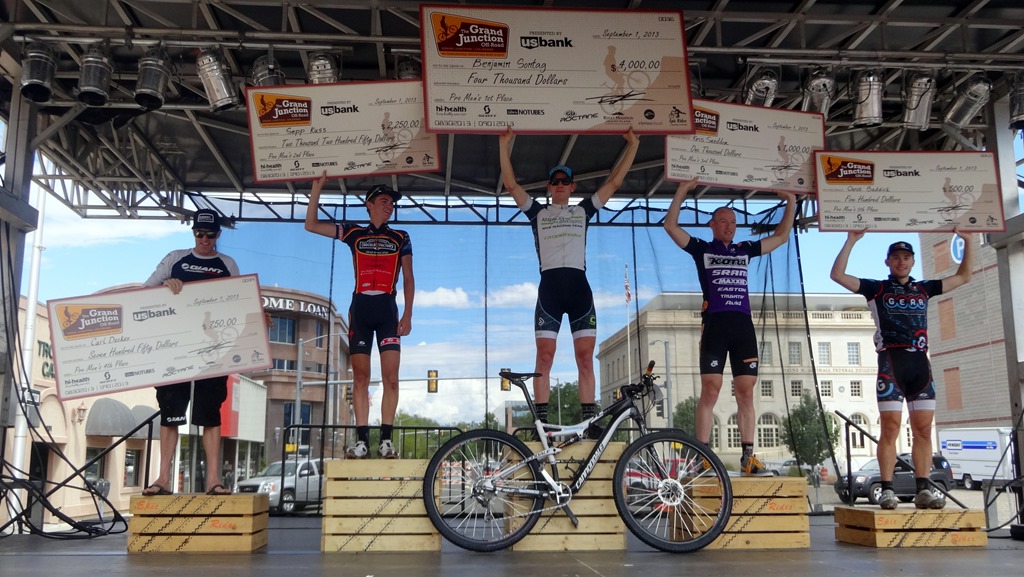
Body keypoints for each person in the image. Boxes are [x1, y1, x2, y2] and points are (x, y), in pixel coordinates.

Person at [498, 127, 640, 426]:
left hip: (579, 293)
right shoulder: (537, 213)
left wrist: (634, 145)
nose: (560, 185)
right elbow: (510, 185)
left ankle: (589, 423)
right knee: (544, 359)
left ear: (573, 187)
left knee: (585, 360)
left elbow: (614, 182)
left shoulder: (583, 211)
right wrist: (504, 145)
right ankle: (542, 423)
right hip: (549, 291)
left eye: (565, 181)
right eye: (555, 181)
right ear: (549, 187)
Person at [830, 230, 972, 509]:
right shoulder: (877, 289)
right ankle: (886, 490)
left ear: (913, 261)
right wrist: (851, 240)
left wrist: (968, 241)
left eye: (906, 257)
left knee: (923, 430)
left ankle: (922, 489)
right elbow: (837, 275)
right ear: (887, 262)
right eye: (896, 257)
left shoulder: (924, 288)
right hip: (891, 365)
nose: (901, 262)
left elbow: (964, 276)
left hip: (920, 365)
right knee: (890, 429)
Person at [664, 179, 796, 475]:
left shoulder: (745, 249)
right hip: (715, 325)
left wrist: (791, 201)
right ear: (711, 225)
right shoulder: (702, 248)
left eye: (733, 222)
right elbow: (670, 226)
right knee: (711, 391)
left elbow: (783, 236)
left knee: (746, 391)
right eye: (723, 221)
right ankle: (701, 457)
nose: (729, 226)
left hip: (742, 327)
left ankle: (748, 457)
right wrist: (682, 191)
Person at [305, 172, 414, 459]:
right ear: (369, 204)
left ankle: (386, 441)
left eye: (391, 202)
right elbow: (311, 225)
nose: (389, 206)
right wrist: (317, 189)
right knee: (361, 378)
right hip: (361, 309)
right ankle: (362, 442)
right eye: (383, 201)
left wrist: (409, 313)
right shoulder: (354, 232)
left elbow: (410, 278)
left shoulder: (401, 237)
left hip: (388, 310)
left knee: (391, 378)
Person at [141, 208, 240, 495]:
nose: (204, 239)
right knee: (170, 411)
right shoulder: (175, 259)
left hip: (212, 348)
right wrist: (165, 286)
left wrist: (260, 316)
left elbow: (238, 302)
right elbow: (144, 293)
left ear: (218, 235)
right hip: (174, 348)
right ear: (193, 232)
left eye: (210, 235)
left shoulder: (227, 263)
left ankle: (213, 480)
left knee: (210, 413)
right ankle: (162, 478)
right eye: (199, 233)